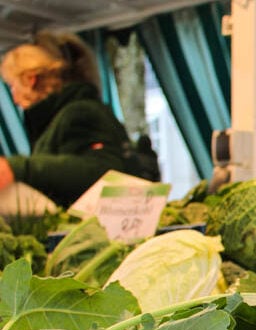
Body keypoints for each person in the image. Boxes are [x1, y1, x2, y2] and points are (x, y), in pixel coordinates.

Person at [0, 31, 158, 209]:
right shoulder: (62, 117)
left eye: (13, 86)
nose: (14, 98)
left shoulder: (81, 112)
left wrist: (19, 169)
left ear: (31, 80)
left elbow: (102, 171)